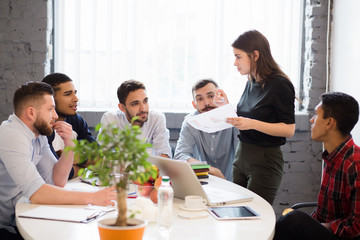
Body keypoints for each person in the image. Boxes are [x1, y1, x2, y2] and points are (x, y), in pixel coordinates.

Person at [0, 82, 116, 240]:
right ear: (31, 113)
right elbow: (36, 192)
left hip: (22, 214)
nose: (55, 115)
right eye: (50, 109)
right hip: (5, 225)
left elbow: (57, 180)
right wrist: (92, 197)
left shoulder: (37, 134)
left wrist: (69, 144)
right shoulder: (12, 134)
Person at [218, 30, 295, 204]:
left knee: (255, 216)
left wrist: (252, 123)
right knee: (235, 213)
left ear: (255, 55)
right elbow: (247, 118)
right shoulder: (251, 81)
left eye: (238, 57)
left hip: (265, 159)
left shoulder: (280, 84)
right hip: (242, 155)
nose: (234, 63)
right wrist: (226, 107)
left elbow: (289, 129)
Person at [274, 92, 360, 240]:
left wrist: (309, 226)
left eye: (316, 115)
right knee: (291, 220)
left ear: (329, 123)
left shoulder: (355, 164)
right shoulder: (333, 156)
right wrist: (310, 225)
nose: (312, 120)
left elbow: (356, 226)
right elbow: (323, 213)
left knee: (294, 220)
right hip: (326, 231)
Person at [174, 79, 238, 180]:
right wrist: (208, 169)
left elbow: (241, 157)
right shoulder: (190, 122)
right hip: (202, 182)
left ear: (219, 96)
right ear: (194, 104)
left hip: (233, 183)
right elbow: (180, 156)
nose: (206, 103)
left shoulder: (234, 118)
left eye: (211, 96)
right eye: (200, 99)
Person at [42, 73, 96, 179]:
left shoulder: (75, 120)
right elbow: (54, 174)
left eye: (75, 93)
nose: (76, 99)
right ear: (50, 99)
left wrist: (80, 159)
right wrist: (84, 168)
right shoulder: (42, 126)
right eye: (67, 94)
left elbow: (99, 159)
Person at [100, 80, 172, 158]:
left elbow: (164, 155)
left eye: (145, 101)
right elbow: (102, 155)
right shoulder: (110, 119)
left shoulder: (157, 118)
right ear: (122, 108)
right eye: (135, 104)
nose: (143, 108)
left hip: (149, 169)